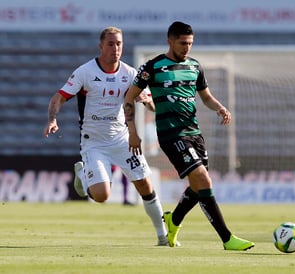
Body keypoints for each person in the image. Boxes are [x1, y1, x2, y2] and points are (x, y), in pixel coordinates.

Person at [124, 21, 255, 251]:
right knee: (203, 180)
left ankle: (173, 222)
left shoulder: (195, 66)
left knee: (197, 186)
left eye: (190, 43)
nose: (187, 48)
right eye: (183, 43)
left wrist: (220, 107)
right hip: (170, 134)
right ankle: (227, 239)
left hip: (194, 133)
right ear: (170, 41)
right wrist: (133, 132)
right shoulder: (152, 67)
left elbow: (206, 97)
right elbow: (129, 98)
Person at [43, 26, 169, 246]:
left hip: (122, 140)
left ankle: (163, 236)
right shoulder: (86, 72)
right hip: (94, 142)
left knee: (146, 187)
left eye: (119, 44)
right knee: (101, 196)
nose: (115, 48)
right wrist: (52, 119)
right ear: (101, 46)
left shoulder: (130, 74)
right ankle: (83, 175)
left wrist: (153, 103)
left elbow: (149, 103)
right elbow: (58, 97)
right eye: (110, 44)